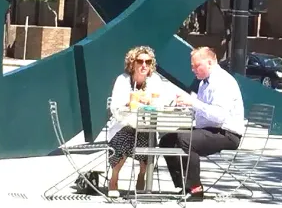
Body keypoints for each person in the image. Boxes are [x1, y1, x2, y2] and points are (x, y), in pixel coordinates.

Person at [91, 45, 178, 198]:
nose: (144, 65)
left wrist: (149, 101)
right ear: (132, 63)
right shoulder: (123, 80)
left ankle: (142, 174)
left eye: (148, 62)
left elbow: (161, 102)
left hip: (146, 126)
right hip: (123, 125)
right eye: (140, 61)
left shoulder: (155, 80)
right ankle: (114, 179)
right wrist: (130, 102)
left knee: (148, 140)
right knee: (124, 137)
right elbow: (115, 107)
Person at [162, 46, 245, 199]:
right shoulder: (204, 82)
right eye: (192, 66)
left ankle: (196, 189)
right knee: (167, 139)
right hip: (209, 129)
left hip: (227, 133)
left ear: (210, 62)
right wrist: (182, 106)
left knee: (186, 139)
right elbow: (201, 110)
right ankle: (184, 185)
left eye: (197, 66)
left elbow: (219, 116)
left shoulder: (222, 82)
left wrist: (193, 102)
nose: (194, 70)